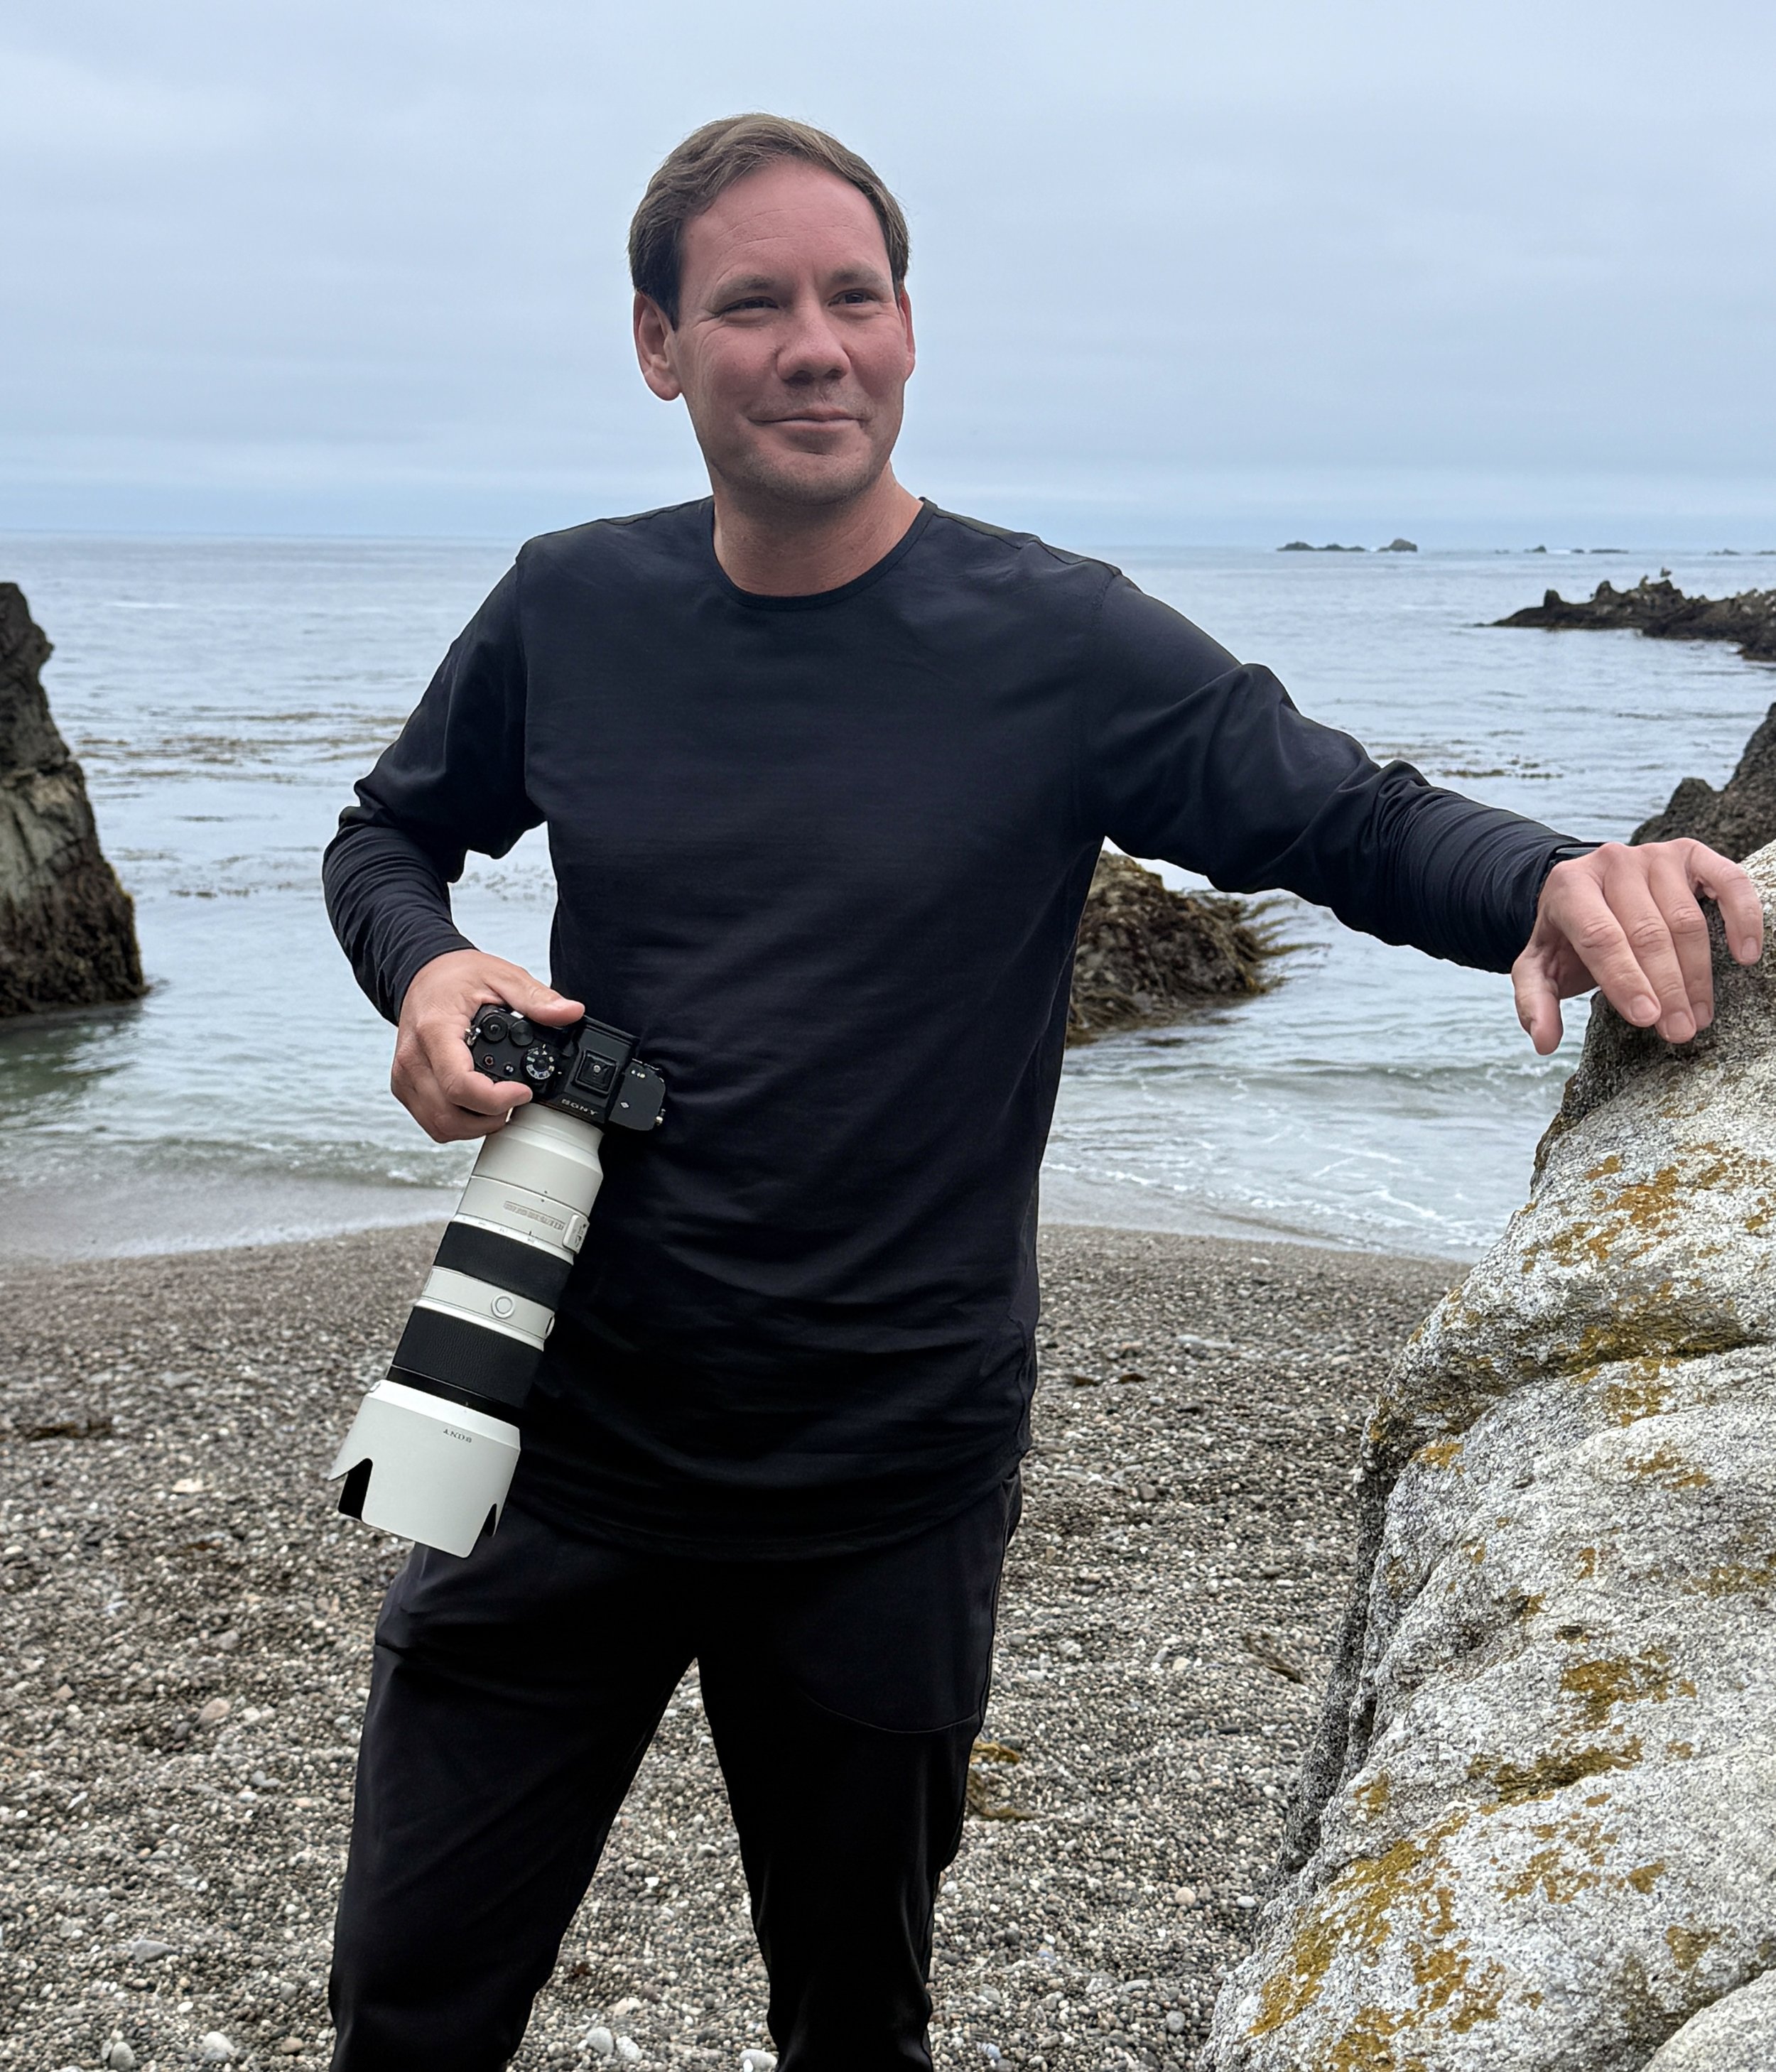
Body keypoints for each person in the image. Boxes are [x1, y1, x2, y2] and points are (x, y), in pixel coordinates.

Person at [320, 113, 1763, 2072]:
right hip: (557, 1433)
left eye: (855, 296)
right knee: (409, 2006)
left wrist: (1555, 880)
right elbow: (390, 836)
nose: (813, 344)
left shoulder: (1054, 643)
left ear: (907, 330)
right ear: (659, 347)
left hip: (884, 1478)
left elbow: (1342, 815)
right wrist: (429, 972)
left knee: (853, 2022)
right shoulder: (570, 606)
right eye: (752, 304)